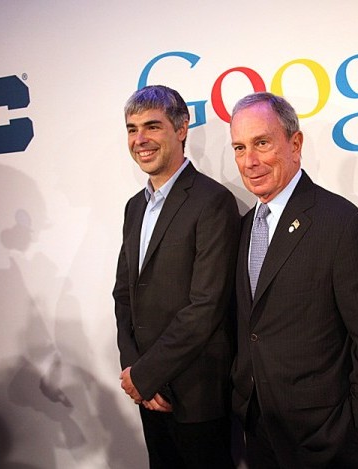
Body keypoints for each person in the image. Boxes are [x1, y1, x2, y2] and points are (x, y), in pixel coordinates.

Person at [229, 92, 358, 468]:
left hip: (324, 437)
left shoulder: (342, 224)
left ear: (295, 143)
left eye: (261, 143)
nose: (250, 161)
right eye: (239, 148)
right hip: (258, 430)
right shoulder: (242, 228)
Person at [113, 85, 240, 468]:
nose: (141, 140)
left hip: (196, 390)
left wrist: (148, 373)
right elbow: (124, 295)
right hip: (149, 390)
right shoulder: (135, 207)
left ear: (182, 129)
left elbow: (206, 306)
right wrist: (136, 373)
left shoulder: (212, 201)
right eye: (132, 129)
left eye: (152, 126)